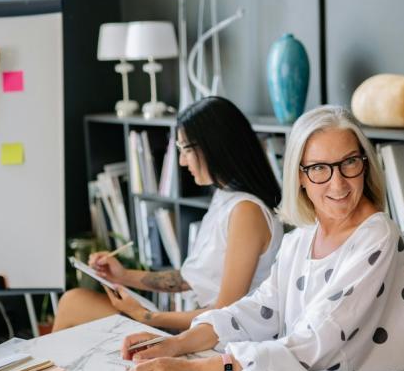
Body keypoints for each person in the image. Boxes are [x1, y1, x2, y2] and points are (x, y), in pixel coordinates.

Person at [121, 105, 404, 371]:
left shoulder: (378, 235)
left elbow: (315, 341)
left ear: (364, 164)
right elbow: (261, 308)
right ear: (299, 176)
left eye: (349, 162)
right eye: (318, 168)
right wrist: (176, 344)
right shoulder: (302, 236)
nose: (338, 182)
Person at [53, 96, 284, 332]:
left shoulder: (247, 212)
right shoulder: (225, 197)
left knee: (73, 303)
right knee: (74, 302)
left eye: (185, 149)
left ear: (213, 147)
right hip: (201, 326)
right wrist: (122, 275)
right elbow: (188, 279)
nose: (182, 161)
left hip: (218, 340)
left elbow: (225, 312)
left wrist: (148, 317)